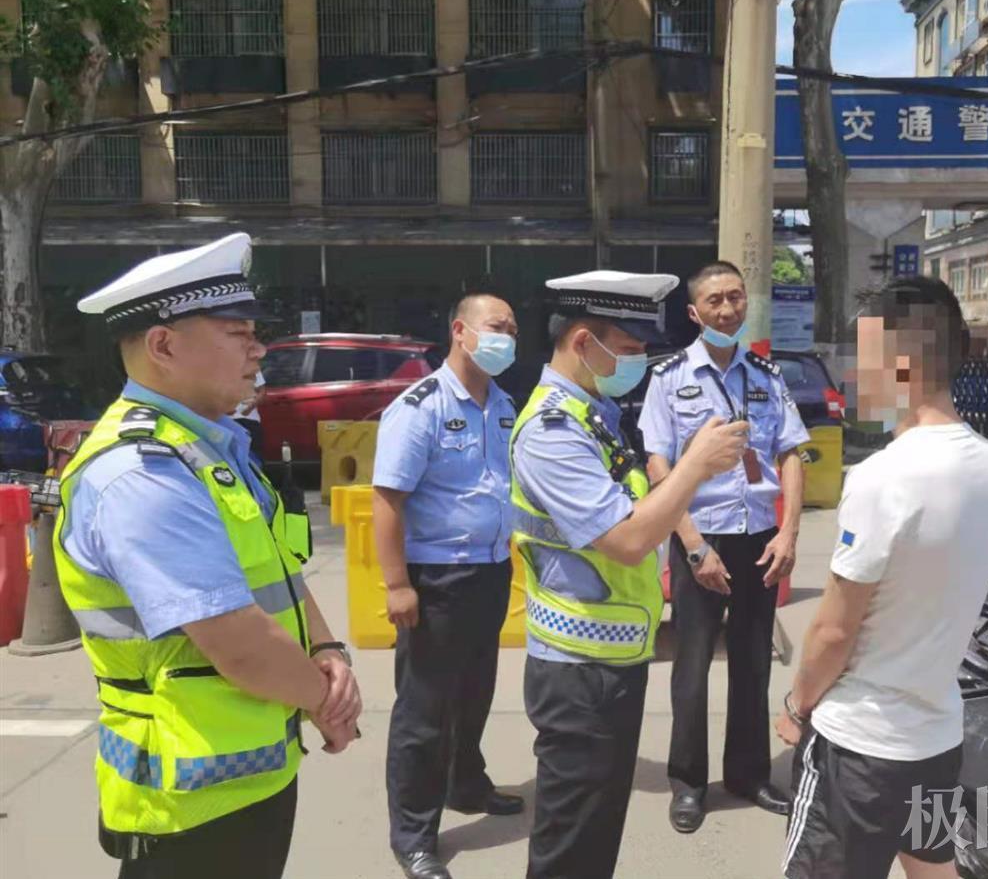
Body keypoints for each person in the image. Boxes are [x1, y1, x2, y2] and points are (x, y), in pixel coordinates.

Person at [53, 233, 362, 879]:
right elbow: (237, 642)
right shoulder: (142, 472)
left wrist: (329, 649)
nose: (258, 349)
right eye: (236, 333)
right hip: (184, 805)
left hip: (249, 776)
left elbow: (279, 569)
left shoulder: (209, 449)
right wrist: (325, 702)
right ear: (163, 346)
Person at [511, 270, 751, 879]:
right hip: (577, 672)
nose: (639, 361)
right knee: (570, 848)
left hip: (611, 660)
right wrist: (694, 467)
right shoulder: (552, 431)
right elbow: (627, 539)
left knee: (595, 838)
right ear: (583, 341)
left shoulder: (593, 414)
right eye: (629, 347)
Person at [776, 276, 988, 879]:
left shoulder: (885, 476)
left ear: (900, 363)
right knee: (933, 868)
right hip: (935, 736)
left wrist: (797, 706)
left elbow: (834, 630)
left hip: (860, 747)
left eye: (862, 357)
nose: (853, 375)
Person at [638, 261, 809, 832]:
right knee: (690, 668)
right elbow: (658, 464)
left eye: (736, 297)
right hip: (700, 537)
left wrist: (789, 532)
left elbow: (790, 452)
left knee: (754, 662)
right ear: (694, 312)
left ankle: (748, 775)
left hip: (759, 538)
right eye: (715, 300)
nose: (728, 309)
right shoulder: (669, 377)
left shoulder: (766, 374)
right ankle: (688, 783)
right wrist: (692, 545)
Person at [372, 293, 524, 879]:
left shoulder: (505, 405)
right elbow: (387, 500)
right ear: (461, 330)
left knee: (475, 691)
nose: (507, 337)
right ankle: (414, 834)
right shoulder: (421, 407)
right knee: (425, 712)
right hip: (435, 579)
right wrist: (396, 584)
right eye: (496, 326)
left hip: (490, 572)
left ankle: (467, 782)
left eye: (512, 329)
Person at [231, 370, 265, 462]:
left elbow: (261, 392)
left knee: (253, 457)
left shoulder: (251, 367)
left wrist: (249, 409)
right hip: (227, 421)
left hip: (249, 420)